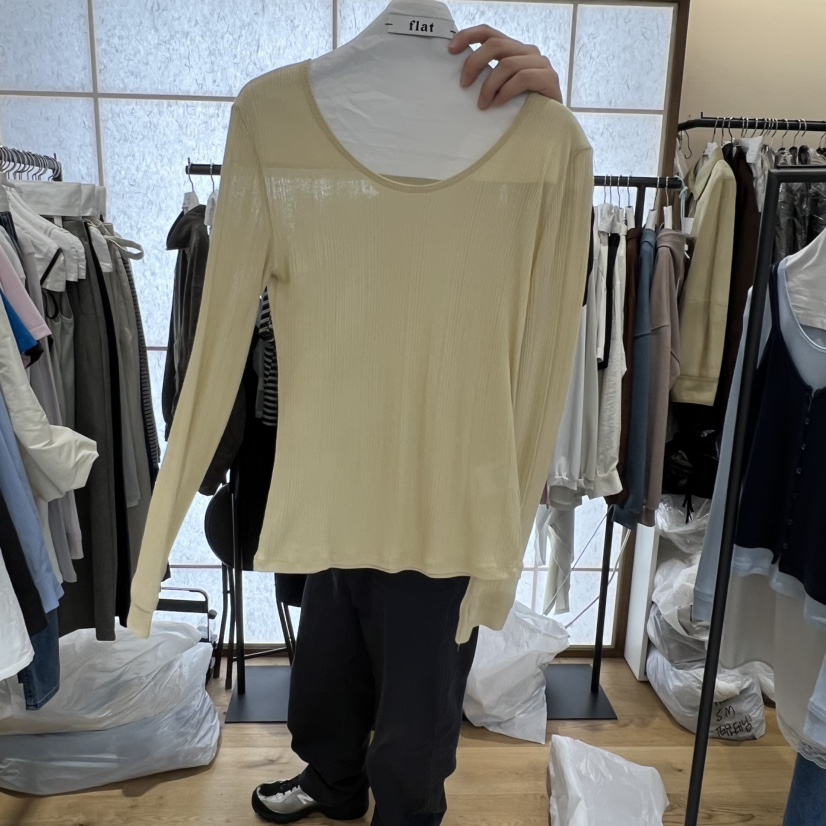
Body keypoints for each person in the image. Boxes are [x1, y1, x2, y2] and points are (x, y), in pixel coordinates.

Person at [251, 26, 567, 826]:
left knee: (417, 708)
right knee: (329, 664)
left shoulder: (509, 143)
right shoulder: (327, 135)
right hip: (345, 463)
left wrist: (544, 144)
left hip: (448, 482)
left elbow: (542, 319)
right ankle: (332, 782)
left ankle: (405, 814)